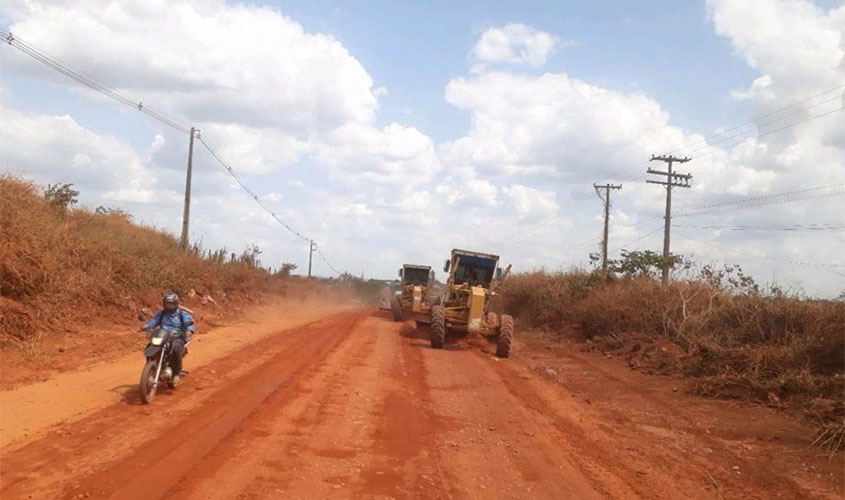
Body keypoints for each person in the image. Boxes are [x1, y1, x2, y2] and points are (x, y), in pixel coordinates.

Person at [141, 293, 194, 385]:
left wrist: (189, 331)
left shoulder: (182, 314)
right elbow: (153, 322)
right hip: (163, 335)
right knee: (150, 348)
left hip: (177, 336)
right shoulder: (161, 314)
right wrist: (146, 326)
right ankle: (151, 367)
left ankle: (176, 373)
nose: (169, 306)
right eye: (167, 304)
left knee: (176, 350)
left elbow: (189, 324)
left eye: (171, 304)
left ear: (176, 303)